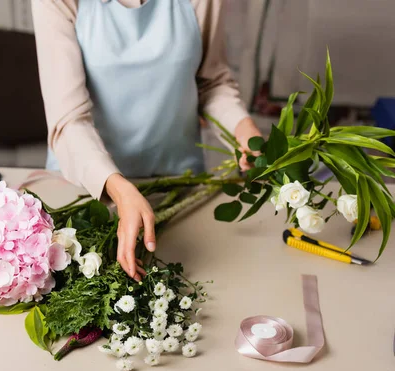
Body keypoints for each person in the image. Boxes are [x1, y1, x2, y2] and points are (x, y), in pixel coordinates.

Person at [32, 0, 263, 281]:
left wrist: (245, 129)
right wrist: (117, 188)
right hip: (85, 187)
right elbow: (69, 119)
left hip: (179, 184)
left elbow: (210, 83)